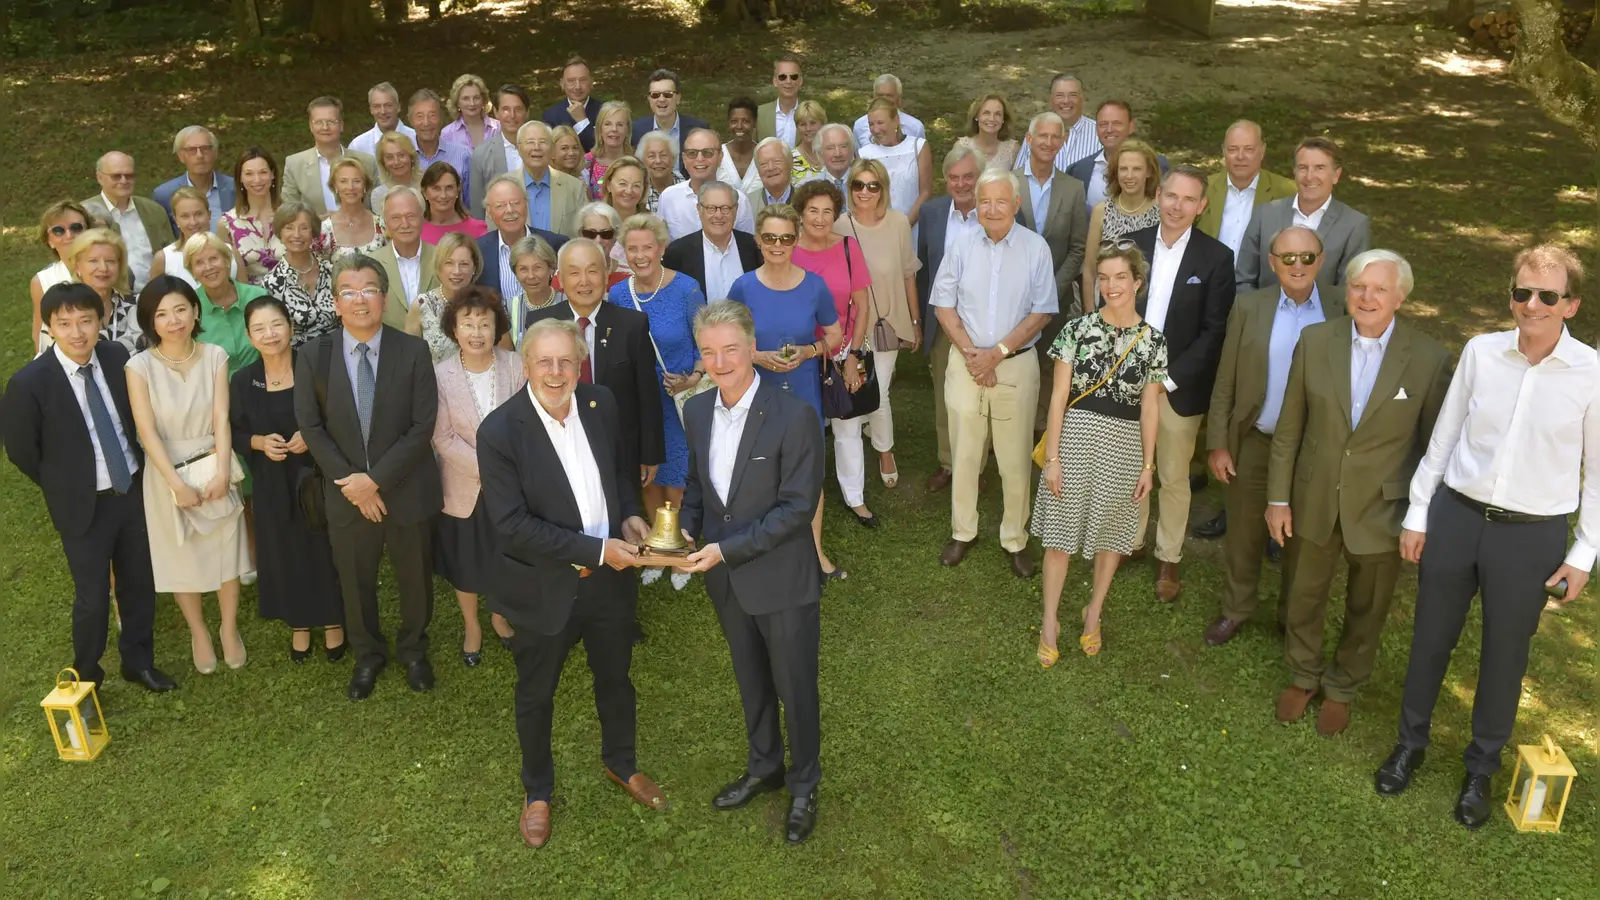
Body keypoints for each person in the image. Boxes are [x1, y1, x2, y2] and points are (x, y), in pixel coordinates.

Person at [1376, 245, 1595, 830]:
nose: (1532, 304)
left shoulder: (1592, 374)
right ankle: (1409, 745)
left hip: (1531, 537)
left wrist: (1583, 554)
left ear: (1570, 304)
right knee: (1430, 638)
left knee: (1505, 656)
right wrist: (1419, 513)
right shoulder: (1481, 351)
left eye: (1547, 296)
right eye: (1522, 292)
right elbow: (1444, 437)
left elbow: (1598, 475)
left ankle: (1481, 767)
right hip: (1458, 516)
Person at [475, 317, 664, 849]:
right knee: (536, 695)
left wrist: (628, 514)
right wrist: (600, 549)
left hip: (610, 586)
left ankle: (621, 764)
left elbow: (620, 474)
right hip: (542, 589)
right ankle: (537, 791)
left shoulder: (600, 403)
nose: (556, 372)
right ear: (526, 366)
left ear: (580, 365)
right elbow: (512, 525)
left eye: (566, 361)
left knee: (616, 678)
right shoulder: (499, 431)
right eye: (544, 362)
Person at [1266, 249, 1451, 737]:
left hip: (1383, 507)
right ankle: (1304, 674)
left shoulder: (1430, 359)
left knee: (1368, 605)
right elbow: (1289, 428)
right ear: (1346, 291)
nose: (1367, 297)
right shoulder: (1315, 341)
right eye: (1357, 287)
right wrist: (1278, 498)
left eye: (1379, 289)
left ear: (1401, 297)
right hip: (1315, 495)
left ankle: (1343, 684)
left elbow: (1435, 446)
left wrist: (1421, 514)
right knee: (1304, 592)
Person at [676, 299, 826, 844]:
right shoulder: (695, 411)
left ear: (751, 346)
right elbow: (697, 487)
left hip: (781, 578)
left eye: (731, 350)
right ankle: (765, 766)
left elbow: (796, 508)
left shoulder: (794, 416)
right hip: (727, 579)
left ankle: (805, 782)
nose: (720, 362)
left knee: (795, 686)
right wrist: (687, 530)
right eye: (709, 352)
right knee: (751, 678)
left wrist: (726, 549)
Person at [1, 283, 178, 692]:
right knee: (93, 598)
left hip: (131, 491)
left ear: (100, 321)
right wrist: (65, 482)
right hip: (83, 506)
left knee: (139, 583)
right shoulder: (29, 383)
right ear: (49, 327)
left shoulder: (117, 357)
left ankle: (138, 661)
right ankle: (88, 674)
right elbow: (23, 452)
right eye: (64, 324)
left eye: (86, 320)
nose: (77, 332)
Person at [294, 254, 443, 700]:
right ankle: (367, 656)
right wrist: (353, 484)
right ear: (336, 302)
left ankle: (414, 651)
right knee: (355, 582)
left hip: (405, 488)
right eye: (348, 292)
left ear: (383, 298)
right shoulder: (313, 355)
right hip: (346, 494)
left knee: (414, 577)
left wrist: (374, 480)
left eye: (369, 291)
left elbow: (423, 425)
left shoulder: (413, 350)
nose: (360, 300)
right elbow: (311, 427)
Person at [1031, 245, 1166, 664]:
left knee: (1111, 537)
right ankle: (1050, 620)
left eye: (1120, 277)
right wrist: (1052, 457)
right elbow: (1057, 398)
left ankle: (1094, 613)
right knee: (1059, 536)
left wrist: (1148, 465)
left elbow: (1149, 408)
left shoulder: (1154, 342)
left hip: (1124, 447)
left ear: (1138, 283)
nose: (1110, 286)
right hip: (1073, 440)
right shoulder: (1077, 329)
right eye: (1104, 278)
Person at [1201, 226, 1332, 648]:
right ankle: (1237, 608)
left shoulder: (1342, 307)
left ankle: (1291, 615)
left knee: (1304, 537)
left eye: (1307, 257)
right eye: (1287, 257)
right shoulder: (1249, 307)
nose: (1298, 265)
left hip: (1314, 448)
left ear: (1321, 260)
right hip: (1256, 440)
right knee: (1243, 531)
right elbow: (1225, 380)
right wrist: (1219, 442)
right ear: (1272, 262)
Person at [932, 170, 1057, 578]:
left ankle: (1014, 537)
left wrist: (997, 354)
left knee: (1014, 457)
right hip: (966, 361)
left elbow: (1041, 312)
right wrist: (973, 355)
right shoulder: (962, 244)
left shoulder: (1036, 248)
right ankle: (963, 531)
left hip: (1015, 365)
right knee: (965, 452)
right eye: (985, 201)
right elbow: (943, 306)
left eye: (1001, 201)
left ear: (1017, 205)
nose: (991, 208)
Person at [125, 275, 252, 673]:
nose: (173, 320)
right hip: (166, 471)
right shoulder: (139, 365)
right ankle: (198, 630)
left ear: (195, 311)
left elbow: (221, 418)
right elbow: (146, 431)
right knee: (180, 556)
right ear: (150, 321)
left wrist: (220, 471)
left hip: (213, 460)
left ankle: (229, 628)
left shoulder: (215, 355)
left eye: (180, 309)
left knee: (227, 550)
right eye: (161, 314)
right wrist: (176, 484)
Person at [1126, 167, 1237, 600]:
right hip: (1129, 379)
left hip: (1178, 388)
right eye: (1171, 195)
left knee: (1172, 475)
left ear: (1201, 206)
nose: (1177, 205)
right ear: (1158, 196)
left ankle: (1168, 556)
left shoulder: (1216, 258)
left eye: (1188, 199)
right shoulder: (1132, 244)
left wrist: (1165, 380)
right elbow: (1113, 304)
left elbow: (1213, 333)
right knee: (1131, 467)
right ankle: (1129, 542)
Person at [727, 204, 845, 580]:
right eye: (770, 238)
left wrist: (809, 351)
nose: (778, 244)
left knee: (806, 472)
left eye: (786, 238)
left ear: (796, 240)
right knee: (759, 473)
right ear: (759, 240)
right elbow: (728, 341)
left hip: (802, 392)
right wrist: (757, 356)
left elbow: (835, 334)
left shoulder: (814, 286)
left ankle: (814, 553)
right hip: (756, 392)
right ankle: (764, 552)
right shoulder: (743, 286)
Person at [229, 296, 346, 663]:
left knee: (323, 548)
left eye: (276, 324)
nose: (270, 334)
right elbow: (231, 432)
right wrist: (258, 442)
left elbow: (342, 417)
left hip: (316, 476)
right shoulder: (243, 381)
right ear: (249, 337)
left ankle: (333, 620)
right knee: (284, 550)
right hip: (271, 481)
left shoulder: (315, 368)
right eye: (259, 328)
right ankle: (298, 623)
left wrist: (311, 434)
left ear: (291, 327)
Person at [609, 213, 708, 591]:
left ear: (661, 248)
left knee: (679, 482)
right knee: (648, 477)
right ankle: (656, 549)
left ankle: (682, 552)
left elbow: (705, 342)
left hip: (680, 399)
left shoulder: (686, 289)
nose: (639, 255)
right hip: (640, 404)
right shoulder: (618, 293)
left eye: (646, 247)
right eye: (631, 248)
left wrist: (693, 377)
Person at [432, 286, 525, 666]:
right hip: (462, 485)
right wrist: (486, 471)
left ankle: (500, 616)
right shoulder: (439, 375)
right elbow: (441, 437)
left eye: (484, 324)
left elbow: (527, 425)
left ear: (496, 327)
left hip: (514, 486)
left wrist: (505, 474)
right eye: (467, 324)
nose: (476, 332)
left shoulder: (516, 365)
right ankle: (472, 624)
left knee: (508, 557)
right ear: (454, 329)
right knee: (466, 560)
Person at [527, 238, 664, 489]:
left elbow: (647, 393)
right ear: (559, 278)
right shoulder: (539, 324)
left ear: (606, 273)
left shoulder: (631, 324)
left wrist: (650, 453)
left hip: (619, 450)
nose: (584, 281)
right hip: (557, 448)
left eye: (592, 271)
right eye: (574, 272)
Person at [790, 180, 873, 526]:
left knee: (847, 426)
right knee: (800, 427)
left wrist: (853, 355)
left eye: (828, 211)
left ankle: (855, 498)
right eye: (813, 210)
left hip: (840, 355)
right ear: (800, 213)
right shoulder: (786, 249)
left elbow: (863, 306)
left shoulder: (849, 248)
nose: (821, 219)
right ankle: (799, 495)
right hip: (799, 354)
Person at [837, 158, 922, 494]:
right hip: (851, 325)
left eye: (873, 185)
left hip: (888, 322)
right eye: (859, 184)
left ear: (883, 188)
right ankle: (863, 445)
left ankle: (884, 451)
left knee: (879, 391)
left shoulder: (899, 223)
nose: (865, 192)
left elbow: (908, 275)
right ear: (850, 188)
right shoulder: (839, 226)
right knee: (858, 386)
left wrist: (915, 321)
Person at [1014, 112, 1089, 435]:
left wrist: (1050, 289)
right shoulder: (1009, 182)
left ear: (1063, 141)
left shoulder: (1073, 189)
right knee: (1014, 358)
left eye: (1054, 137)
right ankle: (1009, 423)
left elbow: (1077, 247)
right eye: (1041, 136)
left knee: (1048, 363)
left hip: (1054, 297)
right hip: (1013, 295)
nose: (1047, 142)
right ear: (1029, 140)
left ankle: (1041, 428)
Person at [916, 146, 983, 492]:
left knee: (984, 393)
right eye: (954, 177)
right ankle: (948, 461)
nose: (961, 184)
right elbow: (923, 269)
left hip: (987, 323)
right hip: (943, 320)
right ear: (945, 180)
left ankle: (980, 465)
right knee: (945, 393)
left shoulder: (998, 211)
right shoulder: (932, 212)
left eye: (968, 176)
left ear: (980, 177)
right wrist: (920, 321)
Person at [1237, 137, 1372, 293]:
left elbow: (1349, 290)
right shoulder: (1265, 214)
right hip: (1264, 315)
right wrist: (1258, 315)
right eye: (1303, 168)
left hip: (1324, 316)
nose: (1309, 176)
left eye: (1319, 168)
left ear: (1336, 175)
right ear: (1294, 172)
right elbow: (1243, 279)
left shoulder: (1354, 225)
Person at [1196, 120, 1296, 260]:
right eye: (1233, 149)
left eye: (1249, 149)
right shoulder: (1202, 188)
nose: (1240, 156)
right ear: (1223, 151)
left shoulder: (1287, 192)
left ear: (1262, 151)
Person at [1082, 140, 1161, 313]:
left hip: (1148, 307)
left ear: (1148, 172)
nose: (1129, 175)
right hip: (1108, 306)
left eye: (1137, 169)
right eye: (1123, 169)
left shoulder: (1161, 211)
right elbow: (1089, 269)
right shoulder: (1101, 211)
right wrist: (1089, 317)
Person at [82, 151, 175, 289]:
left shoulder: (154, 211)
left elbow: (171, 252)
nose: (124, 181)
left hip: (155, 295)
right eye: (116, 176)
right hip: (108, 296)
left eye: (129, 176)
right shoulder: (85, 213)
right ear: (100, 177)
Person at [280, 97, 379, 218]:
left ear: (341, 126)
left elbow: (376, 206)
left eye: (331, 121)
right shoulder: (295, 164)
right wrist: (318, 221)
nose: (325, 127)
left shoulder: (366, 162)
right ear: (311, 126)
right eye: (319, 122)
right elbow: (289, 211)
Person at [662, 181, 761, 300]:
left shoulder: (754, 246)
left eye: (725, 208)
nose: (718, 215)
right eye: (711, 208)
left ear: (736, 209)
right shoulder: (677, 252)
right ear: (699, 210)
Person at [475, 174, 568, 301]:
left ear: (526, 204)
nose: (509, 210)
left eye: (515, 203)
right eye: (500, 206)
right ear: (489, 213)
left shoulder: (555, 244)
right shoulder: (478, 250)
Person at [1065, 101, 1170, 212]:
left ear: (1131, 127)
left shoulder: (1156, 164)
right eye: (1103, 124)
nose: (1109, 129)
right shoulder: (1078, 170)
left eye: (1117, 123)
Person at [188, 232, 267, 379]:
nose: (208, 267)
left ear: (227, 260)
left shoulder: (259, 297)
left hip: (263, 385)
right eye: (199, 262)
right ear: (191, 271)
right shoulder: (188, 308)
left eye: (214, 258)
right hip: (213, 392)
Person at [259, 202, 338, 347]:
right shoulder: (271, 284)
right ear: (279, 232)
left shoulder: (333, 272)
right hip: (298, 362)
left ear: (313, 232)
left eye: (304, 228)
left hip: (339, 356)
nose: (297, 235)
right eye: (289, 228)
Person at [658, 129, 757, 239]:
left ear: (720, 157)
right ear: (684, 159)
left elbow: (746, 246)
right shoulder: (668, 198)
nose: (700, 159)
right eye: (692, 153)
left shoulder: (739, 200)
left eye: (707, 153)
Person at [858, 98, 932, 235]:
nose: (875, 129)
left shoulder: (918, 147)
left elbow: (925, 192)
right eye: (871, 124)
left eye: (880, 123)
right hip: (878, 231)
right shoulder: (864, 154)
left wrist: (906, 225)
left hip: (914, 228)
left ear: (896, 120)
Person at [29, 200, 92, 356]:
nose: (69, 235)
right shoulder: (41, 281)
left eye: (76, 227)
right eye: (58, 230)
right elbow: (40, 333)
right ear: (49, 241)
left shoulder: (109, 269)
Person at [407, 231, 482, 362]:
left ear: (474, 267)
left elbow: (503, 356)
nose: (456, 271)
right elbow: (409, 360)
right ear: (439, 266)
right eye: (449, 263)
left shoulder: (488, 303)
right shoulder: (422, 305)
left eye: (464, 264)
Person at [372, 187, 439, 329]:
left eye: (411, 216)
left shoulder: (442, 258)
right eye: (396, 218)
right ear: (385, 222)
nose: (405, 224)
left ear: (422, 217)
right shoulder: (372, 264)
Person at [66, 227, 141, 353]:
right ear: (77, 266)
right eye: (93, 261)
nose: (103, 268)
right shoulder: (61, 309)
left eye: (110, 261)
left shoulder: (139, 305)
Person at [216, 147, 283, 283]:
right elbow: (229, 274)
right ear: (240, 178)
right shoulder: (227, 224)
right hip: (253, 299)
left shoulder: (292, 215)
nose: (257, 179)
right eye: (249, 174)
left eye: (263, 172)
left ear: (272, 174)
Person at [151, 188, 239, 289]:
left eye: (199, 214)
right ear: (176, 220)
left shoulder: (231, 253)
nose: (193, 222)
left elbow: (246, 295)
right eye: (185, 216)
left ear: (209, 214)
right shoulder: (164, 258)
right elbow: (153, 298)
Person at [154, 125, 237, 230]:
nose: (199, 155)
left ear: (215, 152)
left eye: (205, 148)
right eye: (191, 150)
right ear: (181, 156)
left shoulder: (236, 188)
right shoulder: (164, 195)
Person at [1013, 74, 1100, 170]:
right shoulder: (1035, 131)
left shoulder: (1099, 133)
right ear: (1051, 100)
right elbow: (1017, 179)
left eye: (1073, 95)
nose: (1066, 101)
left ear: (1082, 99)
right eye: (1059, 95)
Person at [516, 121, 587, 238]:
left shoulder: (575, 187)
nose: (536, 147)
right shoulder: (503, 187)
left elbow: (585, 232)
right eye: (530, 142)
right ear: (519, 148)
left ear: (552, 148)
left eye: (543, 142)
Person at [469, 84, 531, 218]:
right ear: (496, 112)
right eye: (506, 109)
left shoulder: (541, 150)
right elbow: (477, 206)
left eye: (518, 109)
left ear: (527, 112)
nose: (512, 115)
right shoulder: (482, 154)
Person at [406, 89, 474, 208]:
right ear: (411, 120)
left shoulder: (463, 154)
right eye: (419, 116)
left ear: (441, 118)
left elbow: (471, 203)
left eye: (432, 115)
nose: (426, 122)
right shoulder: (402, 157)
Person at [317, 156, 389, 257]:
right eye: (343, 181)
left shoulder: (382, 225)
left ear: (365, 185)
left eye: (357, 181)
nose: (350, 187)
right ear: (335, 186)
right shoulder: (324, 230)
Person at [630, 68, 709, 156]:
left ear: (678, 98)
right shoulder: (635, 130)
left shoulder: (699, 129)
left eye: (668, 94)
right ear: (649, 99)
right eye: (655, 95)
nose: (661, 99)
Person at [506, 233, 564, 343]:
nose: (531, 276)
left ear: (551, 269)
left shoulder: (568, 303)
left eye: (537, 268)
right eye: (523, 269)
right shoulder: (508, 308)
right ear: (515, 273)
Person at [541, 55, 603, 151]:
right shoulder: (551, 116)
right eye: (571, 81)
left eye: (583, 80)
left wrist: (582, 121)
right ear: (562, 84)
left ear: (591, 82)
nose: (577, 86)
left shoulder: (604, 111)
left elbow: (602, 149)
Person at [420, 161, 489, 243]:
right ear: (424, 192)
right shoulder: (415, 230)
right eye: (436, 188)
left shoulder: (478, 230)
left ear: (458, 189)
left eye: (449, 187)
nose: (443, 195)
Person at [850, 74, 926, 149]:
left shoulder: (915, 127)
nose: (884, 100)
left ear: (899, 99)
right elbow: (858, 158)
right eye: (880, 95)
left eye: (889, 96)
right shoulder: (860, 126)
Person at [579, 101, 634, 201]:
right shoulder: (585, 163)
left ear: (627, 130)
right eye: (608, 124)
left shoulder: (637, 163)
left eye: (620, 125)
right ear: (600, 129)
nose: (614, 129)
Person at [349, 82, 418, 159]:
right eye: (377, 106)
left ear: (398, 107)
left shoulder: (416, 140)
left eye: (388, 105)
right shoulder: (358, 146)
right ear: (371, 110)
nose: (383, 111)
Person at [953, 93, 1018, 172]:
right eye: (986, 113)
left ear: (1003, 119)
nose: (991, 118)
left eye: (997, 114)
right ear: (976, 116)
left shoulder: (1012, 151)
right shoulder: (961, 147)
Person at [568, 201, 631, 281]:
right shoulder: (566, 271)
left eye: (606, 234)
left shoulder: (629, 275)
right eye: (590, 234)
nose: (598, 240)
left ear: (615, 235)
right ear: (581, 235)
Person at [756, 52, 805, 144]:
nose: (788, 81)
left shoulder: (813, 113)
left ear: (800, 81)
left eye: (794, 77)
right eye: (782, 77)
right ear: (775, 81)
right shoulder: (759, 114)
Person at [717, 98, 762, 197]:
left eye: (745, 121)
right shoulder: (717, 154)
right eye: (734, 121)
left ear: (754, 123)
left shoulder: (764, 154)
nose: (739, 126)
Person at [369, 130, 421, 215]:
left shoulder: (427, 185)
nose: (396, 162)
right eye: (389, 157)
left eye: (401, 155)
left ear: (411, 156)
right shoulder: (379, 194)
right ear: (383, 162)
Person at [442, 74, 500, 150]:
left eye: (476, 98)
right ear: (457, 102)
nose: (472, 103)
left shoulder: (498, 128)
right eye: (466, 98)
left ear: (483, 100)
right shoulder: (447, 133)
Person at [804, 123, 857, 198]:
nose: (837, 154)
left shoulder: (865, 183)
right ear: (820, 153)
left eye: (843, 146)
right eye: (830, 148)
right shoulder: (809, 187)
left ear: (852, 150)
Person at [637, 130, 685, 213]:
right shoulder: (637, 192)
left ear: (673, 158)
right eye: (651, 156)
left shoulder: (686, 190)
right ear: (642, 161)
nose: (658, 161)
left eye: (663, 155)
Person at [749, 138, 794, 209]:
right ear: (758, 170)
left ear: (790, 163)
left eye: (777, 161)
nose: (771, 168)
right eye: (764, 164)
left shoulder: (807, 201)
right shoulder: (748, 203)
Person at [790, 100, 828, 183]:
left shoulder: (833, 153)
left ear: (822, 124)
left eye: (813, 123)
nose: (808, 129)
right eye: (803, 124)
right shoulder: (790, 160)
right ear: (797, 127)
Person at [600, 155, 647, 220]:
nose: (629, 191)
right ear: (608, 185)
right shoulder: (596, 223)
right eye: (623, 184)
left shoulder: (654, 224)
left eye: (636, 185)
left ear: (643, 188)